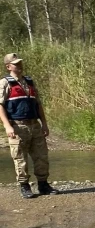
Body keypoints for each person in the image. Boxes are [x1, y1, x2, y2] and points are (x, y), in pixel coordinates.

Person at [0, 53, 58, 199]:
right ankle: (24, 186)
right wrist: (7, 126)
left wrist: (44, 124)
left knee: (41, 156)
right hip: (18, 126)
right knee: (20, 158)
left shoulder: (29, 82)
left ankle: (43, 184)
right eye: (16, 64)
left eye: (20, 63)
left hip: (34, 125)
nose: (19, 66)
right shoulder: (4, 83)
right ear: (8, 67)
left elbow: (38, 104)